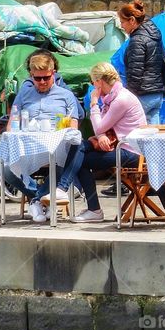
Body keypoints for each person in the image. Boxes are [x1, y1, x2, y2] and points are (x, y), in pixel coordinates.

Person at [57, 62, 147, 223]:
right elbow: (102, 128)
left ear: (99, 82)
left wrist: (93, 103)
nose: (92, 87)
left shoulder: (121, 99)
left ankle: (89, 206)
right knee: (77, 148)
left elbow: (99, 126)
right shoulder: (112, 97)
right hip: (119, 144)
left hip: (131, 152)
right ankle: (64, 191)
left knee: (79, 161)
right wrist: (100, 136)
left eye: (92, 83)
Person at [9, 51, 81, 223]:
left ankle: (37, 200)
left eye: (46, 78)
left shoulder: (66, 95)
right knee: (5, 168)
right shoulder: (24, 94)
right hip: (29, 147)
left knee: (72, 149)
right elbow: (13, 121)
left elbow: (74, 126)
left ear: (53, 74)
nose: (41, 82)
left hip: (56, 148)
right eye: (37, 78)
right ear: (31, 76)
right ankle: (42, 198)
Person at [118, 0, 165, 125]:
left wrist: (128, 97)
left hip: (143, 94)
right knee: (153, 135)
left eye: (123, 22)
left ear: (132, 20)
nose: (122, 26)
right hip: (157, 93)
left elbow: (135, 73)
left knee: (125, 125)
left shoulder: (137, 41)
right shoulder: (154, 36)